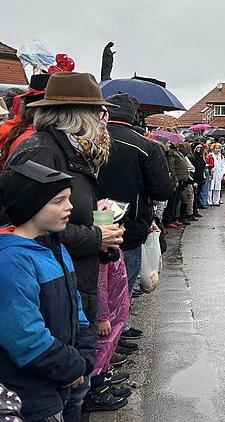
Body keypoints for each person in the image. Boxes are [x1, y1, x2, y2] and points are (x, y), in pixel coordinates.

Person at [3, 72, 125, 419]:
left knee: (73, 394)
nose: (103, 123)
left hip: (67, 280)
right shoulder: (42, 151)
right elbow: (23, 224)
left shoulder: (67, 151)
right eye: (98, 114)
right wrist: (94, 237)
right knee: (62, 399)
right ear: (79, 116)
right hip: (46, 290)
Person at [0, 161, 97, 422]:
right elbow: (24, 337)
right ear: (31, 206)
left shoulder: (53, 245)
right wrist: (72, 366)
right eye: (58, 201)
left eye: (68, 198)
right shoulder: (11, 260)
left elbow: (76, 306)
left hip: (61, 380)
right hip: (32, 393)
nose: (70, 207)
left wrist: (85, 355)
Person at [97, 94, 174, 300]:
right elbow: (162, 190)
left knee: (93, 282)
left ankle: (98, 322)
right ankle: (121, 324)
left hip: (90, 220)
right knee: (123, 282)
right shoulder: (148, 147)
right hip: (130, 225)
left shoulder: (88, 140)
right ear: (133, 117)